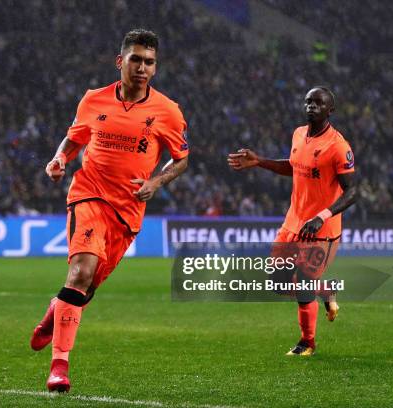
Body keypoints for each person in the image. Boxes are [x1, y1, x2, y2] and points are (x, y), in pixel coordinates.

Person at [30, 29, 189, 392]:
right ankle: (59, 368)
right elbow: (75, 138)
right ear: (121, 62)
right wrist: (59, 158)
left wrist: (157, 183)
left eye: (149, 62)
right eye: (135, 59)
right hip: (89, 194)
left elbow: (181, 160)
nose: (142, 68)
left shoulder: (168, 111)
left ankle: (54, 313)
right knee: (80, 271)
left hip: (127, 211)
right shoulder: (94, 100)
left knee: (85, 289)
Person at [227, 86, 357, 356]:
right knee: (277, 282)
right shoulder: (299, 134)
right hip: (293, 222)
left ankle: (306, 342)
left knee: (304, 287)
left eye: (319, 103)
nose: (312, 106)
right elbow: (294, 166)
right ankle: (326, 291)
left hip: (321, 230)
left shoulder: (338, 146)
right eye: (308, 102)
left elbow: (353, 191)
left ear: (330, 110)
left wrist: (322, 216)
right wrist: (260, 162)